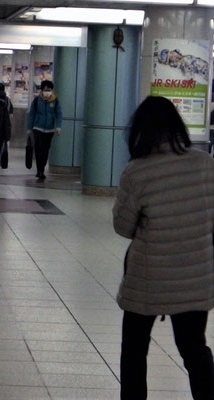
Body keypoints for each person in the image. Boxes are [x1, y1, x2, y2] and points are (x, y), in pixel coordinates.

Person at [113, 96, 214, 400]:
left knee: (134, 350)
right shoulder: (204, 164)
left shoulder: (137, 171)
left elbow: (123, 227)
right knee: (194, 349)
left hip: (148, 277)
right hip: (195, 276)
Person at [26, 80, 62, 180]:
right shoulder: (37, 100)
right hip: (38, 128)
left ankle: (42, 168)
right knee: (38, 150)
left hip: (49, 130)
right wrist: (29, 128)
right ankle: (39, 170)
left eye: (49, 90)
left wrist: (58, 126)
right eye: (46, 90)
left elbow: (59, 114)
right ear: (42, 90)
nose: (48, 92)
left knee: (45, 150)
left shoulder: (55, 100)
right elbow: (31, 114)